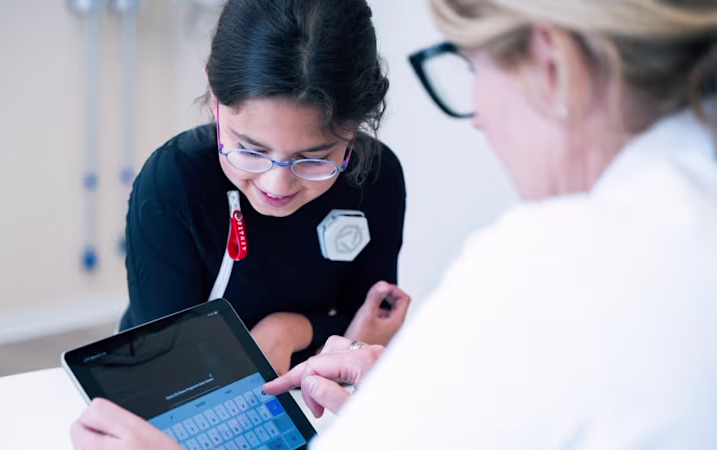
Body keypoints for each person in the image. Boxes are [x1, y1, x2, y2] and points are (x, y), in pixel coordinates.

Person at [72, 0, 717, 448]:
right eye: (252, 148)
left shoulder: (543, 263)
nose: (479, 118)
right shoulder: (685, 220)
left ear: (552, 65)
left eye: (471, 70)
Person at [118, 0, 410, 376]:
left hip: (316, 388)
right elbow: (166, 362)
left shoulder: (374, 178)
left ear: (354, 128)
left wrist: (286, 332)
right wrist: (319, 337)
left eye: (313, 158)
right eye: (250, 150)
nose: (277, 184)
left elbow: (370, 328)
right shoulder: (174, 182)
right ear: (214, 97)